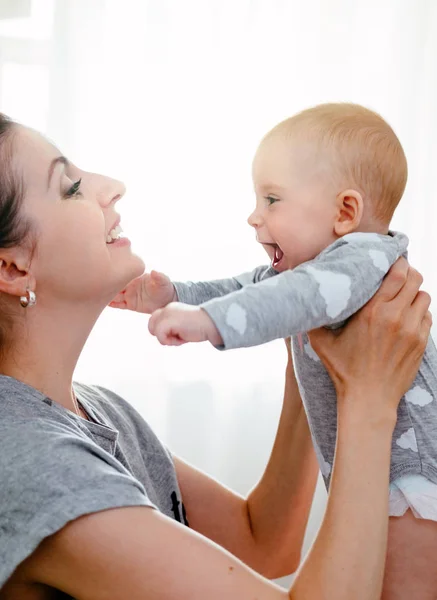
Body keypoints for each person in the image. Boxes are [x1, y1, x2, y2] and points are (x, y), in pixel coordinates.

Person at [0, 111, 431, 600]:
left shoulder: (101, 412)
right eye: (70, 187)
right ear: (12, 268)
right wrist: (371, 401)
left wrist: (311, 342)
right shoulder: (30, 456)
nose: (112, 186)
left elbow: (264, 542)